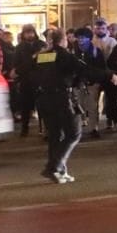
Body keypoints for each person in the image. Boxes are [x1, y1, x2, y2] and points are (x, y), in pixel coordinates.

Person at [31, 28, 88, 183]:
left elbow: (34, 70)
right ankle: (54, 167)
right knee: (73, 133)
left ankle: (59, 171)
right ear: (63, 40)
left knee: (55, 135)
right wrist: (109, 75)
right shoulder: (65, 55)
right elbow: (83, 70)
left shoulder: (44, 56)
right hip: (62, 98)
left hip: (44, 98)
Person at [11, 25, 45, 136]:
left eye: (31, 32)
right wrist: (33, 58)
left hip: (40, 79)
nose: (29, 35)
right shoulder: (19, 47)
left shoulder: (41, 44)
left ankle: (43, 128)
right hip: (26, 80)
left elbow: (48, 59)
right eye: (27, 33)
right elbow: (17, 66)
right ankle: (24, 129)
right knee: (25, 106)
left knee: (42, 106)